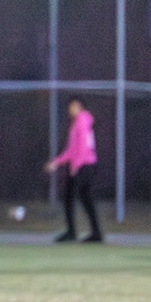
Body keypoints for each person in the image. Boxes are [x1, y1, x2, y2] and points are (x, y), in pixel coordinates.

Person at [43, 97, 102, 243]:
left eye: (74, 106)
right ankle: (94, 233)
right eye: (70, 107)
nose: (71, 109)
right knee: (84, 197)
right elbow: (71, 150)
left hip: (84, 165)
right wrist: (56, 163)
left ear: (80, 107)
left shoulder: (82, 121)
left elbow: (83, 146)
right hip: (82, 165)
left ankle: (74, 232)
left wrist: (76, 166)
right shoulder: (76, 124)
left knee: (72, 196)